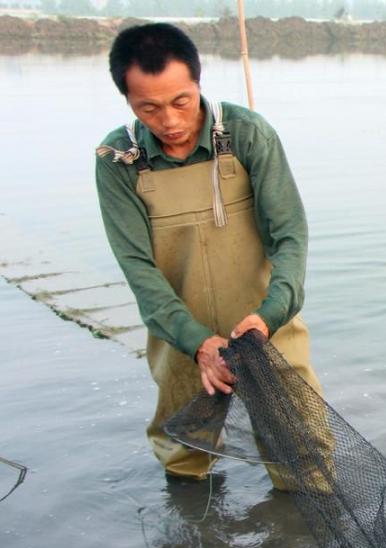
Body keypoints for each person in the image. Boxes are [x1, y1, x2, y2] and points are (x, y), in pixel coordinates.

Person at [95, 23, 321, 487]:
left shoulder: (247, 133)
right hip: (181, 336)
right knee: (184, 455)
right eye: (149, 109)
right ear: (129, 102)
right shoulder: (119, 159)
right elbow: (138, 268)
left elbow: (290, 237)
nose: (171, 121)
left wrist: (270, 314)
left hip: (265, 328)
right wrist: (197, 342)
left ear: (198, 83)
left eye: (181, 101)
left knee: (305, 454)